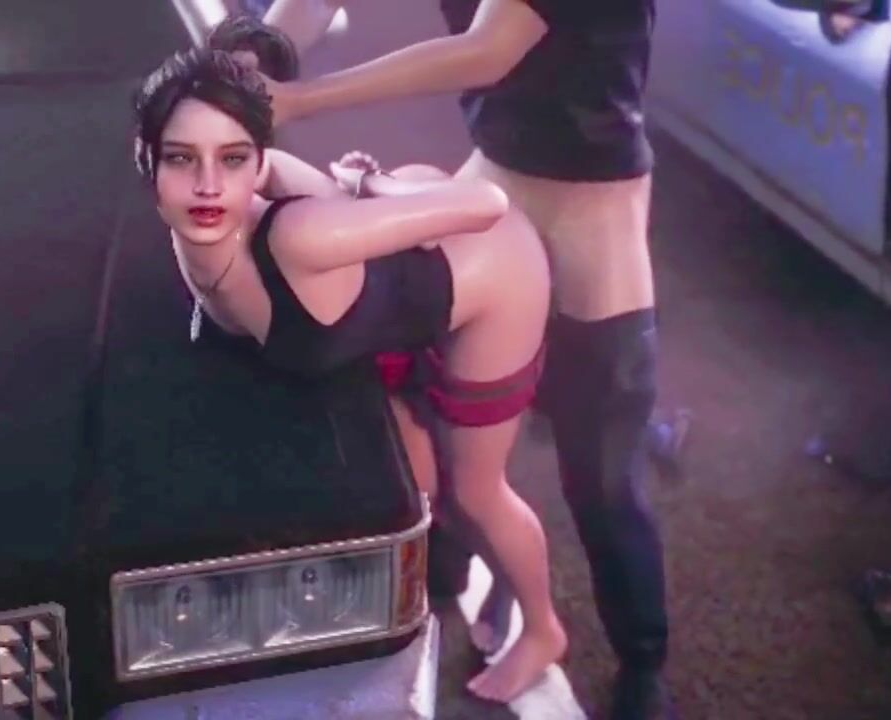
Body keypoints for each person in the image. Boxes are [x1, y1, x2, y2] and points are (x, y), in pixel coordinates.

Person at [258, 1, 675, 717]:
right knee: (445, 422)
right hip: (495, 180)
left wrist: (298, 98)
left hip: (592, 218)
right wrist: (251, 56)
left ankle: (642, 659)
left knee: (601, 477)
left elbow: (490, 48)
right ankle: (457, 560)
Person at [131, 41, 568, 702]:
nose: (208, 187)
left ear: (254, 162)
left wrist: (371, 188)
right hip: (388, 306)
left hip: (492, 275)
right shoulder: (207, 222)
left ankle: (543, 627)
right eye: (181, 159)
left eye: (233, 159)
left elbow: (486, 205)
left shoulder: (301, 235)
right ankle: (488, 577)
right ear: (146, 159)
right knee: (415, 484)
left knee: (475, 492)